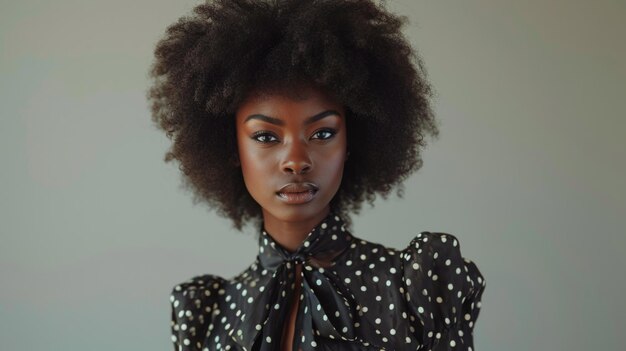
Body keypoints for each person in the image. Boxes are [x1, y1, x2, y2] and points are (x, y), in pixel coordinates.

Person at [148, 0, 486, 350]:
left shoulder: (411, 289)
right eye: (266, 137)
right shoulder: (211, 314)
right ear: (231, 148)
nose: (296, 160)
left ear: (351, 141)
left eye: (323, 133)